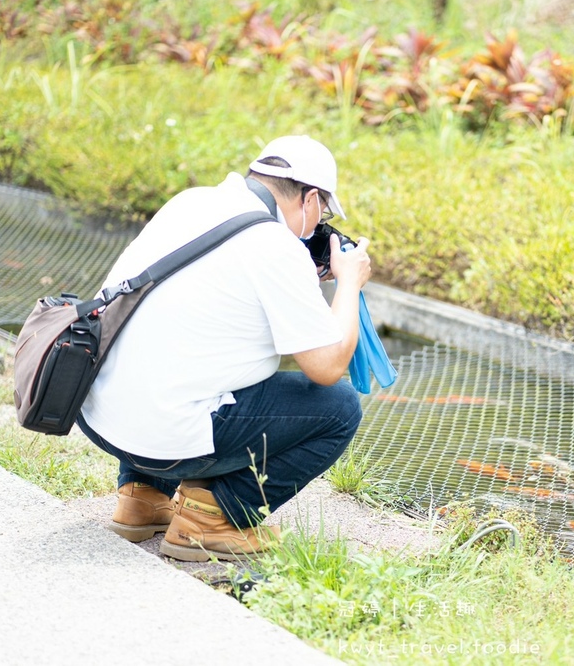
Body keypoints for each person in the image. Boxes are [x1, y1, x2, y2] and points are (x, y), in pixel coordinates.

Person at [77, 135, 371, 562]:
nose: (318, 220)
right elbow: (326, 366)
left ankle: (140, 497)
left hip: (100, 419)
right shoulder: (276, 245)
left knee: (173, 345)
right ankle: (211, 517)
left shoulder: (191, 202)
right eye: (322, 210)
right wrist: (348, 282)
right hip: (165, 439)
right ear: (309, 199)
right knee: (338, 406)